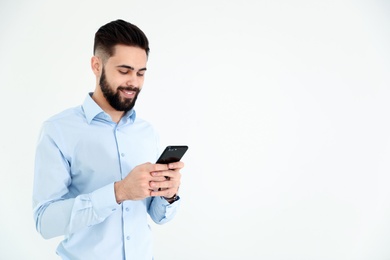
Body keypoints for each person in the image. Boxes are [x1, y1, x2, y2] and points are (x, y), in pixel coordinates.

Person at [32, 19, 184, 259]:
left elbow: (157, 216)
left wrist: (169, 194)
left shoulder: (147, 132)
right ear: (96, 65)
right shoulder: (58, 130)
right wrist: (119, 192)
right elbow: (45, 222)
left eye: (140, 73)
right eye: (124, 71)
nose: (133, 82)